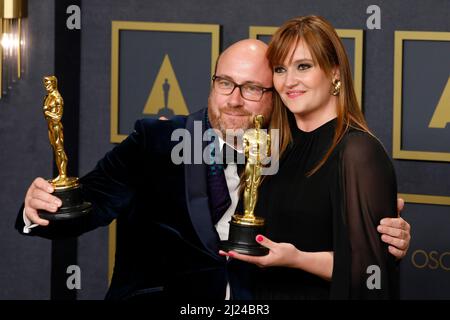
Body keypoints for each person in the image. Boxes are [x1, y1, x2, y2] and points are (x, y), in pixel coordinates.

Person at [17, 38, 410, 300]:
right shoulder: (156, 141)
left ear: (277, 96)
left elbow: (346, 243)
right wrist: (39, 210)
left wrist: (383, 231)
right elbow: (89, 205)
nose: (235, 100)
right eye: (225, 83)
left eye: (253, 88)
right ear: (212, 82)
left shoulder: (299, 155)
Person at [220, 16, 403, 299]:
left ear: (335, 72)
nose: (289, 81)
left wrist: (297, 258)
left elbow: (371, 275)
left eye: (303, 66)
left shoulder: (358, 152)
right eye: (280, 69)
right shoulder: (274, 146)